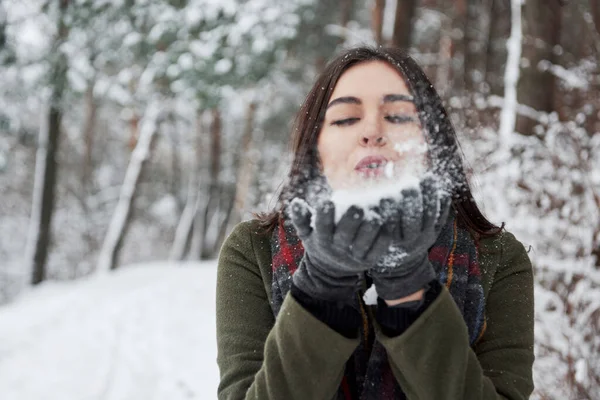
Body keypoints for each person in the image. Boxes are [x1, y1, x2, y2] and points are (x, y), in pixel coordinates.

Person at [215, 46, 534, 400]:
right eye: (345, 118)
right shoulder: (252, 250)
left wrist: (410, 289)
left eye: (397, 116)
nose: (371, 132)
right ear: (314, 147)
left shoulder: (500, 257)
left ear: (433, 142)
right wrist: (321, 288)